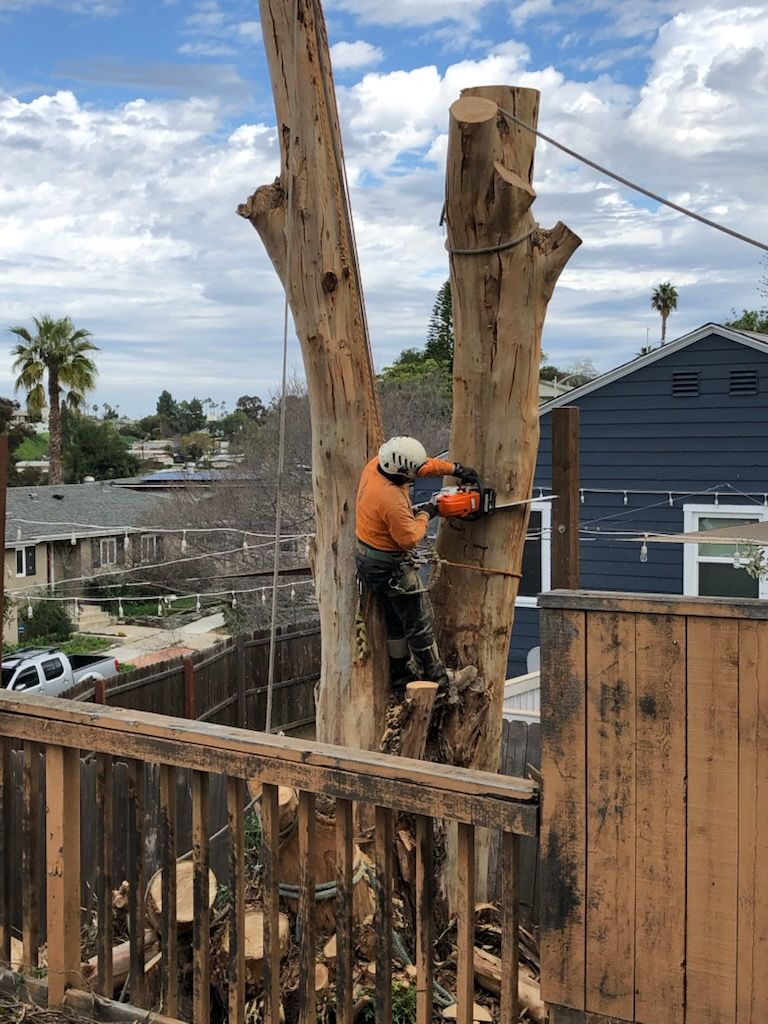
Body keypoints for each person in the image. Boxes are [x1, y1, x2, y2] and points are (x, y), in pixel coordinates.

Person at [355, 435, 479, 697]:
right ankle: (441, 681)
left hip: (369, 559)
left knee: (397, 624)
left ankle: (400, 677)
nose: (416, 475)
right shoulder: (389, 497)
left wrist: (454, 469)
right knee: (419, 622)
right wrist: (427, 513)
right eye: (411, 473)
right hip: (389, 568)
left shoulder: (378, 464)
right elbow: (409, 538)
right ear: (400, 471)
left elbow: (422, 466)